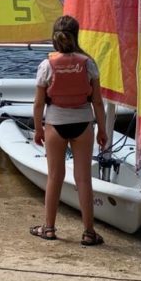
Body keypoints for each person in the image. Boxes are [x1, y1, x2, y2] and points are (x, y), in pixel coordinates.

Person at [30, 15, 108, 246]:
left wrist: (38, 129)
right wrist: (102, 130)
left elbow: (38, 104)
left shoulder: (46, 66)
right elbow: (98, 102)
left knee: (55, 177)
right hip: (83, 124)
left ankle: (49, 229)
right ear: (76, 35)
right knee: (83, 179)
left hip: (56, 124)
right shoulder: (89, 63)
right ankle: (89, 233)